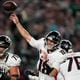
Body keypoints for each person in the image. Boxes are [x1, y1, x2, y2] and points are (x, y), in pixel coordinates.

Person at [9, 13, 67, 80]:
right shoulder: (42, 43)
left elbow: (53, 73)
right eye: (48, 40)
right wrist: (17, 23)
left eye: (53, 42)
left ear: (57, 43)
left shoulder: (60, 54)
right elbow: (27, 37)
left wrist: (42, 64)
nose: (49, 43)